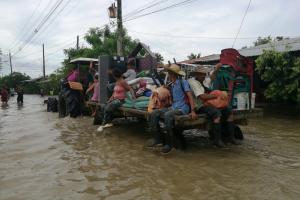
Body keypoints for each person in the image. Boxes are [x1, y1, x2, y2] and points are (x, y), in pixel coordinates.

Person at [148, 64, 197, 154]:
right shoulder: (172, 85)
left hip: (183, 108)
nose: (169, 75)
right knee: (155, 113)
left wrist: (193, 111)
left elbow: (190, 96)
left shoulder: (183, 82)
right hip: (173, 107)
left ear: (173, 74)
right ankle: (158, 139)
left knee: (167, 115)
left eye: (169, 73)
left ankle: (169, 144)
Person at [188, 66, 240, 148]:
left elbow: (212, 77)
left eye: (204, 74)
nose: (204, 76)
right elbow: (202, 97)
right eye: (202, 74)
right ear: (197, 75)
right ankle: (217, 141)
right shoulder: (193, 82)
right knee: (217, 113)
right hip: (199, 106)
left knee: (229, 111)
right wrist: (218, 95)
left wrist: (216, 69)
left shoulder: (204, 80)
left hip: (210, 103)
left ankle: (231, 138)